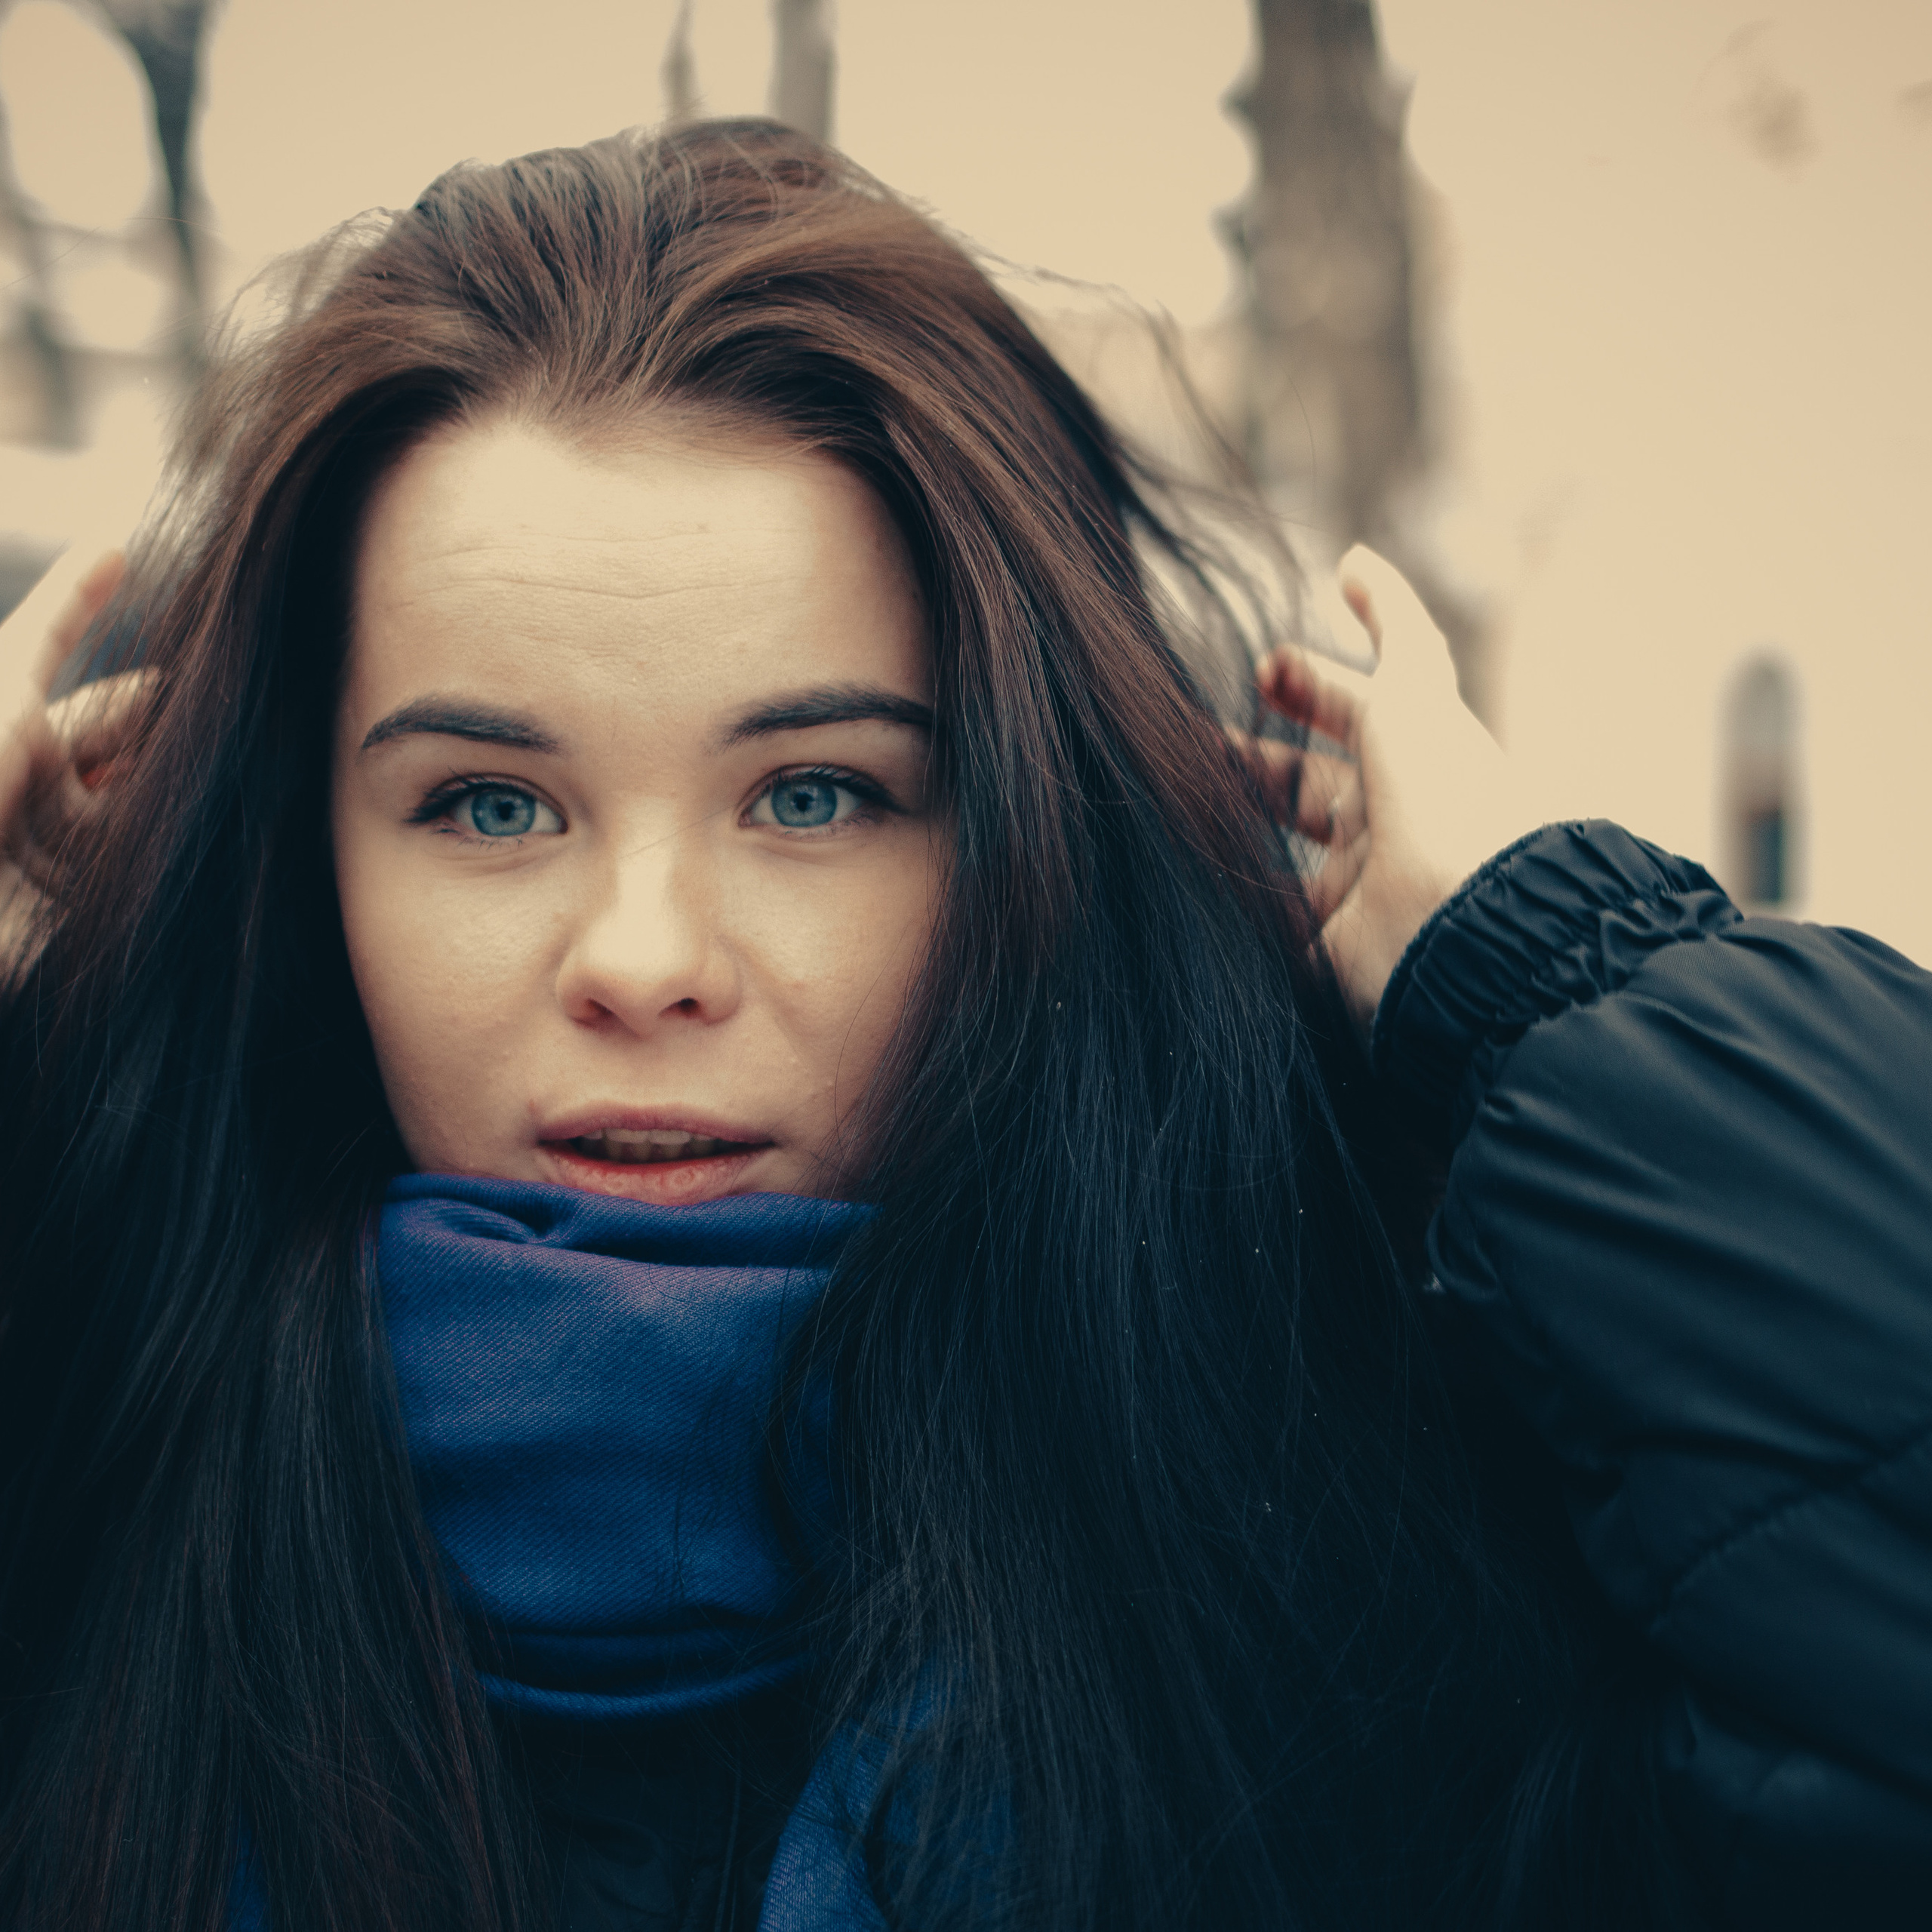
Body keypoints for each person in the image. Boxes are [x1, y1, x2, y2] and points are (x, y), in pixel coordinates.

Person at [0, 118, 1926, 1932]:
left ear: (1025, 829)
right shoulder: (80, 1509)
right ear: (299, 856)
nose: (645, 959)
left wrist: (1544, 974)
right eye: (491, 806)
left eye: (815, 792)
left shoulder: (1370, 1573)